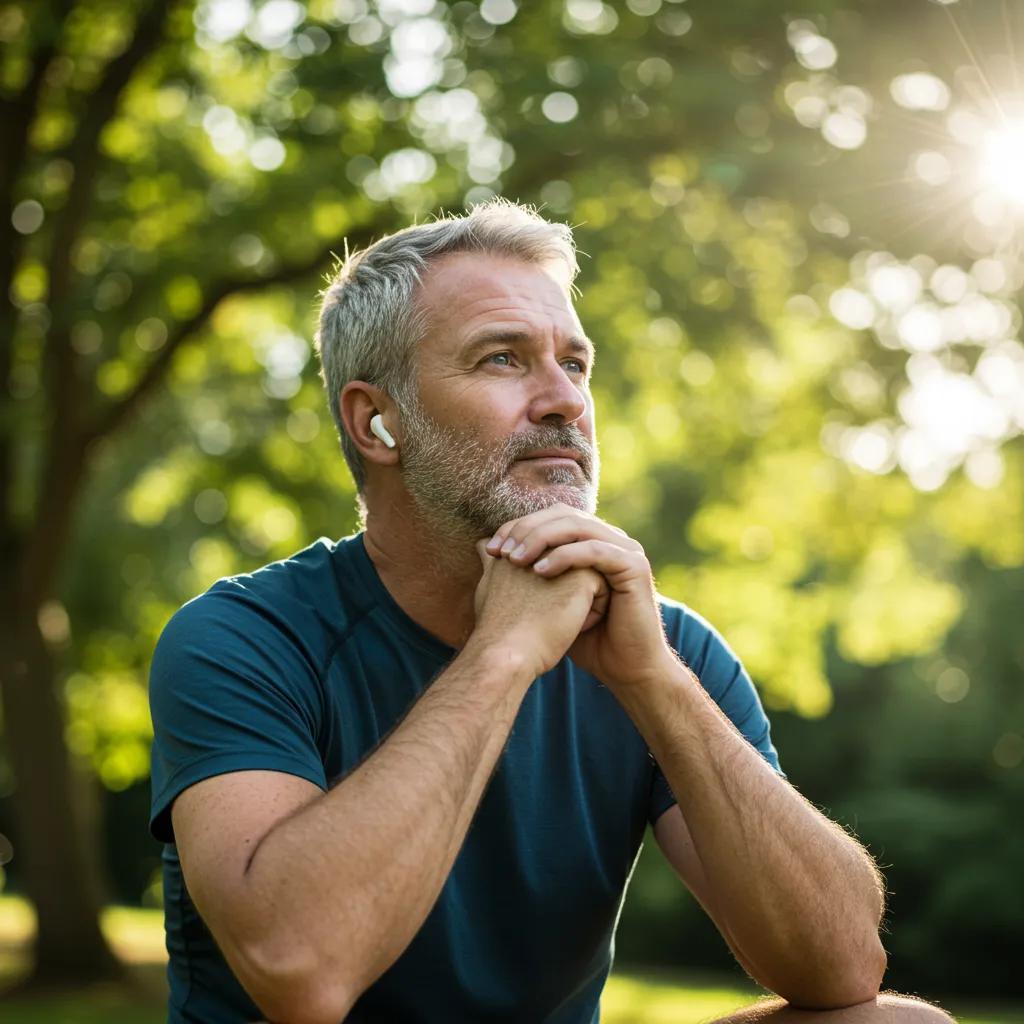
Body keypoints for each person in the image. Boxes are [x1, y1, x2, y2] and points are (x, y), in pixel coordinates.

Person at [148, 201, 955, 1024]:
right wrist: (503, 654)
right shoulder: (244, 638)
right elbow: (297, 969)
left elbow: (842, 966)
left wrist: (654, 682)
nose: (564, 400)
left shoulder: (665, 646)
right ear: (377, 423)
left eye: (575, 364)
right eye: (502, 358)